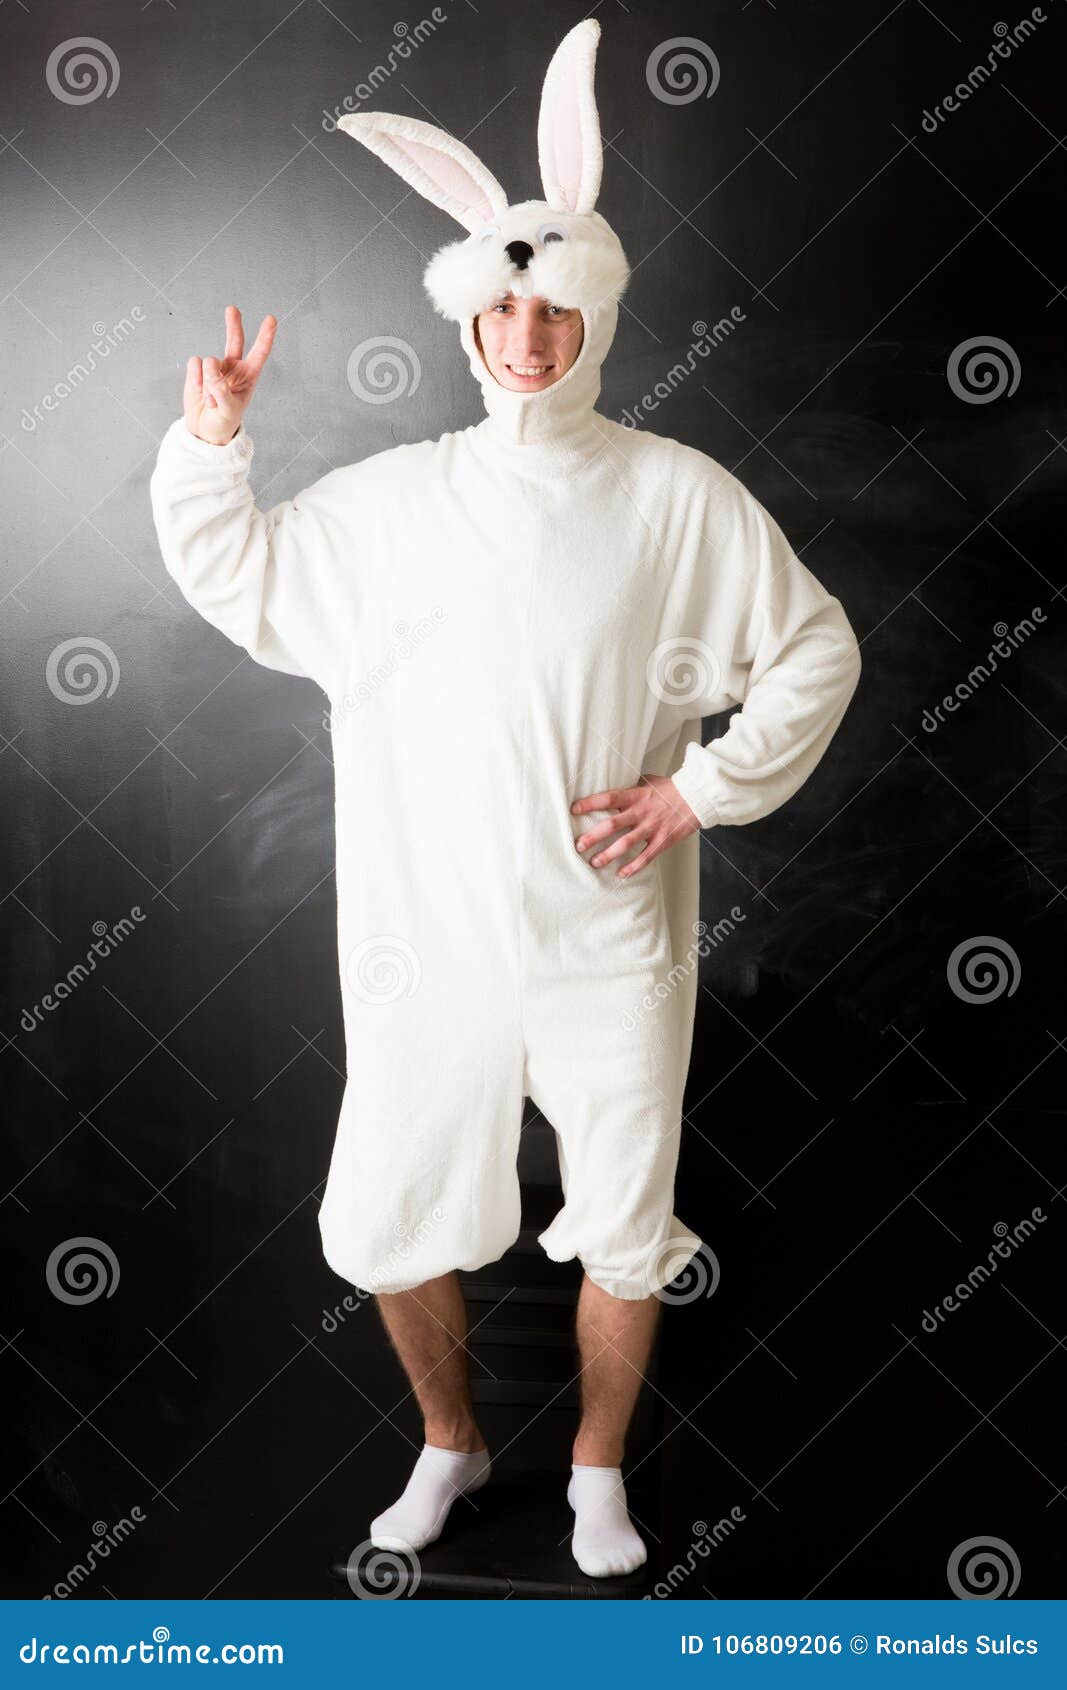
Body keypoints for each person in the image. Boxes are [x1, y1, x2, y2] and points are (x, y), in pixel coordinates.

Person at [149, 20, 861, 1580]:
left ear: (591, 311)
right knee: (394, 1203)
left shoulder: (676, 496)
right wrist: (213, 450)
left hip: (613, 932)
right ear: (467, 323)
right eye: (500, 305)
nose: (526, 334)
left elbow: (814, 647)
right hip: (428, 936)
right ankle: (451, 1440)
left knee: (624, 1208)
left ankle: (599, 1471)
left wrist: (701, 787)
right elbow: (245, 572)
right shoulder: (396, 510)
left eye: (551, 303)